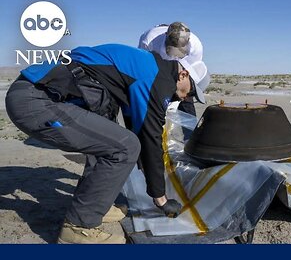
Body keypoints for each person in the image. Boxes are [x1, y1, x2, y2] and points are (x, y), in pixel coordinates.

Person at [5, 44, 207, 244]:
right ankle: (78, 227)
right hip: (36, 99)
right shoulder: (156, 78)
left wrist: (149, 176)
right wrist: (160, 198)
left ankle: (94, 205)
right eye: (190, 93)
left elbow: (138, 130)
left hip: (40, 93)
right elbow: (149, 137)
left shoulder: (151, 67)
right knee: (125, 146)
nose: (187, 98)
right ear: (183, 75)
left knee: (110, 138)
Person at [138, 22, 208, 117]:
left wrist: (182, 90)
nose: (176, 55)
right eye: (173, 50)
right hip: (157, 68)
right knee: (155, 101)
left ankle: (191, 131)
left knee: (186, 99)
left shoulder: (196, 46)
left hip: (181, 70)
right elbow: (144, 69)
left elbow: (193, 72)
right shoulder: (149, 41)